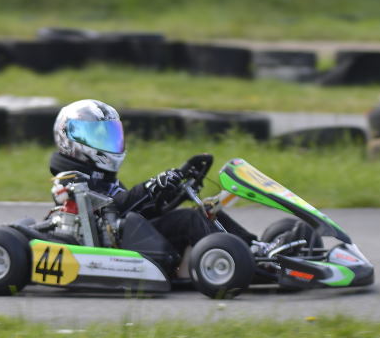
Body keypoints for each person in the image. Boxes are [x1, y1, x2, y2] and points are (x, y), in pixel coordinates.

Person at [48, 98, 260, 260]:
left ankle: (254, 248)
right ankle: (237, 258)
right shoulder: (69, 179)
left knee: (205, 212)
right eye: (98, 137)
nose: (107, 142)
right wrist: (150, 188)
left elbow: (134, 211)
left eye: (109, 136)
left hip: (132, 239)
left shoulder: (106, 179)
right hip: (106, 249)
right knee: (188, 219)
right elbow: (108, 210)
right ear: (70, 139)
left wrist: (168, 193)